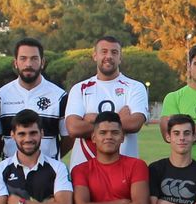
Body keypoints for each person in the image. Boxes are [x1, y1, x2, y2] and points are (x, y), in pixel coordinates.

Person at [64, 36, 149, 168]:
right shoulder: (80, 88)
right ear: (95, 56)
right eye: (104, 51)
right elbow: (73, 129)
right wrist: (119, 120)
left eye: (114, 52)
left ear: (120, 58)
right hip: (84, 170)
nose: (109, 56)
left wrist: (92, 120)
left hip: (124, 171)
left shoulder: (135, 87)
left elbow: (134, 124)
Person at [0, 37, 69, 162]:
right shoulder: (0, 96)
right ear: (15, 63)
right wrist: (12, 161)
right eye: (23, 58)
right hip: (12, 174)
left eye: (34, 59)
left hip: (49, 174)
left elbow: (68, 139)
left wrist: (49, 161)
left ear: (42, 62)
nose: (28, 64)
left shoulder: (59, 96)